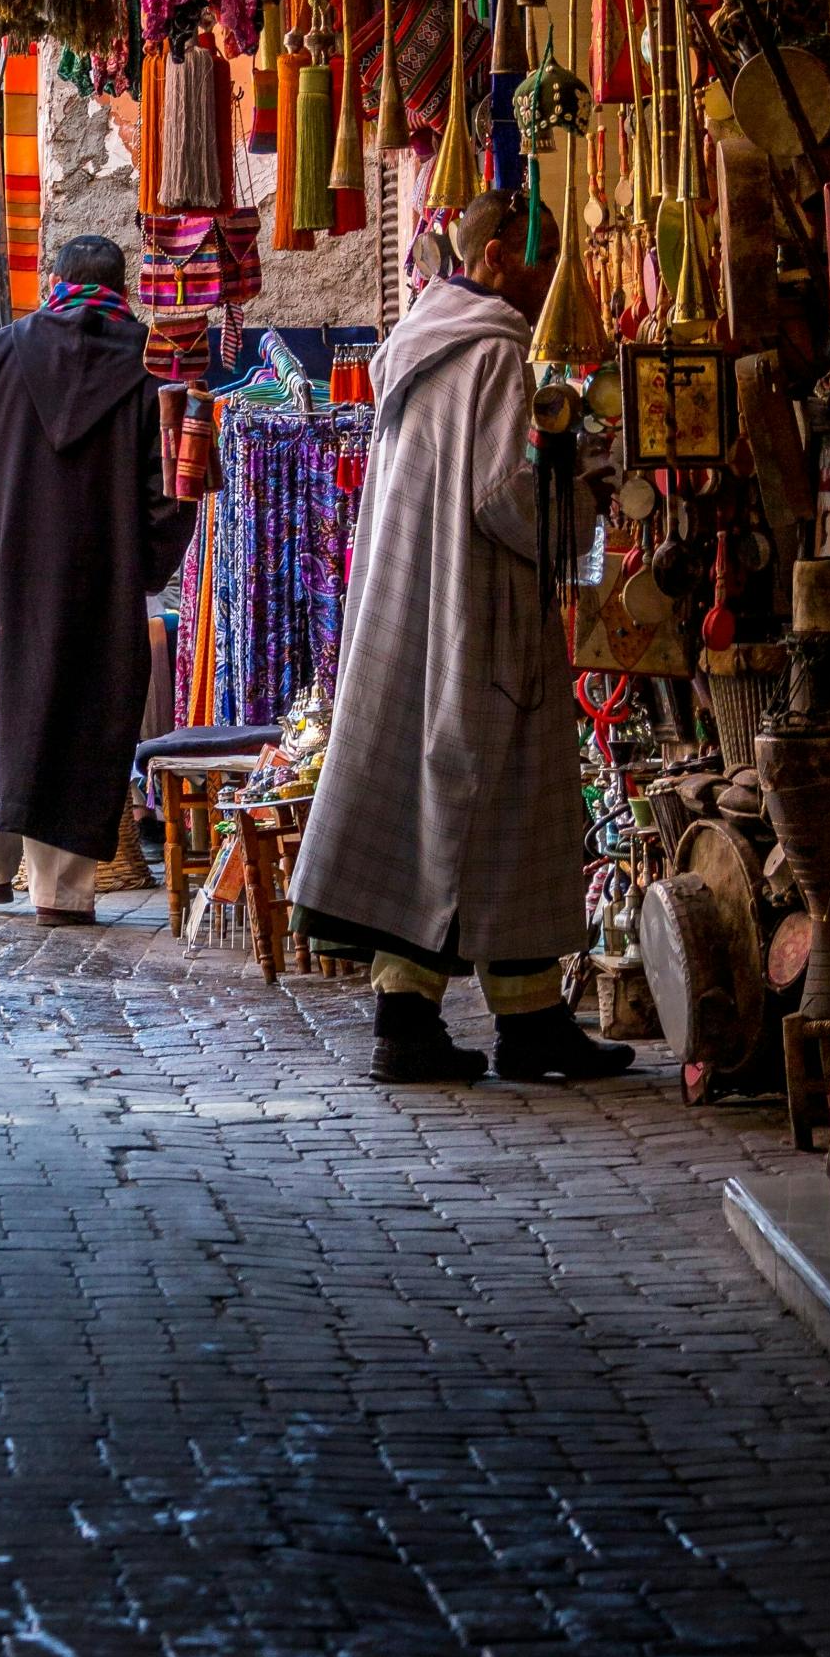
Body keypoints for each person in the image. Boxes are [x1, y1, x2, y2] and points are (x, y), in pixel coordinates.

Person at [290, 189, 632, 1086]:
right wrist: (588, 496)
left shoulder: (427, 345)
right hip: (480, 612)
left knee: (444, 804)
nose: (559, 274)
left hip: (420, 607)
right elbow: (504, 497)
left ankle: (500, 1018)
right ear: (492, 262)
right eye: (542, 255)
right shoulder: (495, 357)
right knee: (485, 800)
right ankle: (459, 1024)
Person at [0, 233, 194, 925]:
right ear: (123, 285)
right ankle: (60, 892)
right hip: (96, 571)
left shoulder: (1, 350)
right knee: (83, 713)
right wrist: (146, 565)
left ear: (55, 280)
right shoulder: (153, 364)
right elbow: (175, 487)